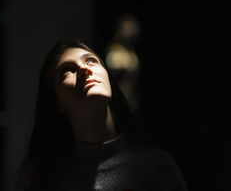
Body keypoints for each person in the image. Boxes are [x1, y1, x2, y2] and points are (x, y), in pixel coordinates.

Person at [14, 39, 188, 191]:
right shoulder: (42, 179)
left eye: (91, 61)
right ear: (56, 100)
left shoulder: (155, 167)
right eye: (67, 70)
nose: (84, 69)